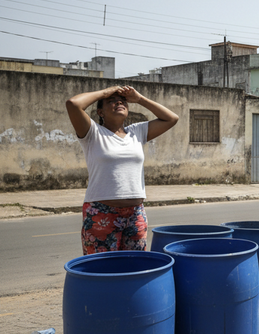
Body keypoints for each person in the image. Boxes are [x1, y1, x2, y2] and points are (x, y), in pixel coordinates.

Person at [66, 85, 179, 255]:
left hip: (135, 213)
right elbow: (73, 104)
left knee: (134, 265)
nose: (119, 102)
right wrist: (106, 92)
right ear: (100, 112)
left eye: (122, 101)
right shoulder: (92, 133)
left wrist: (139, 99)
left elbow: (172, 118)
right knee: (101, 267)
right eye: (112, 101)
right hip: (101, 212)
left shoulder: (137, 132)